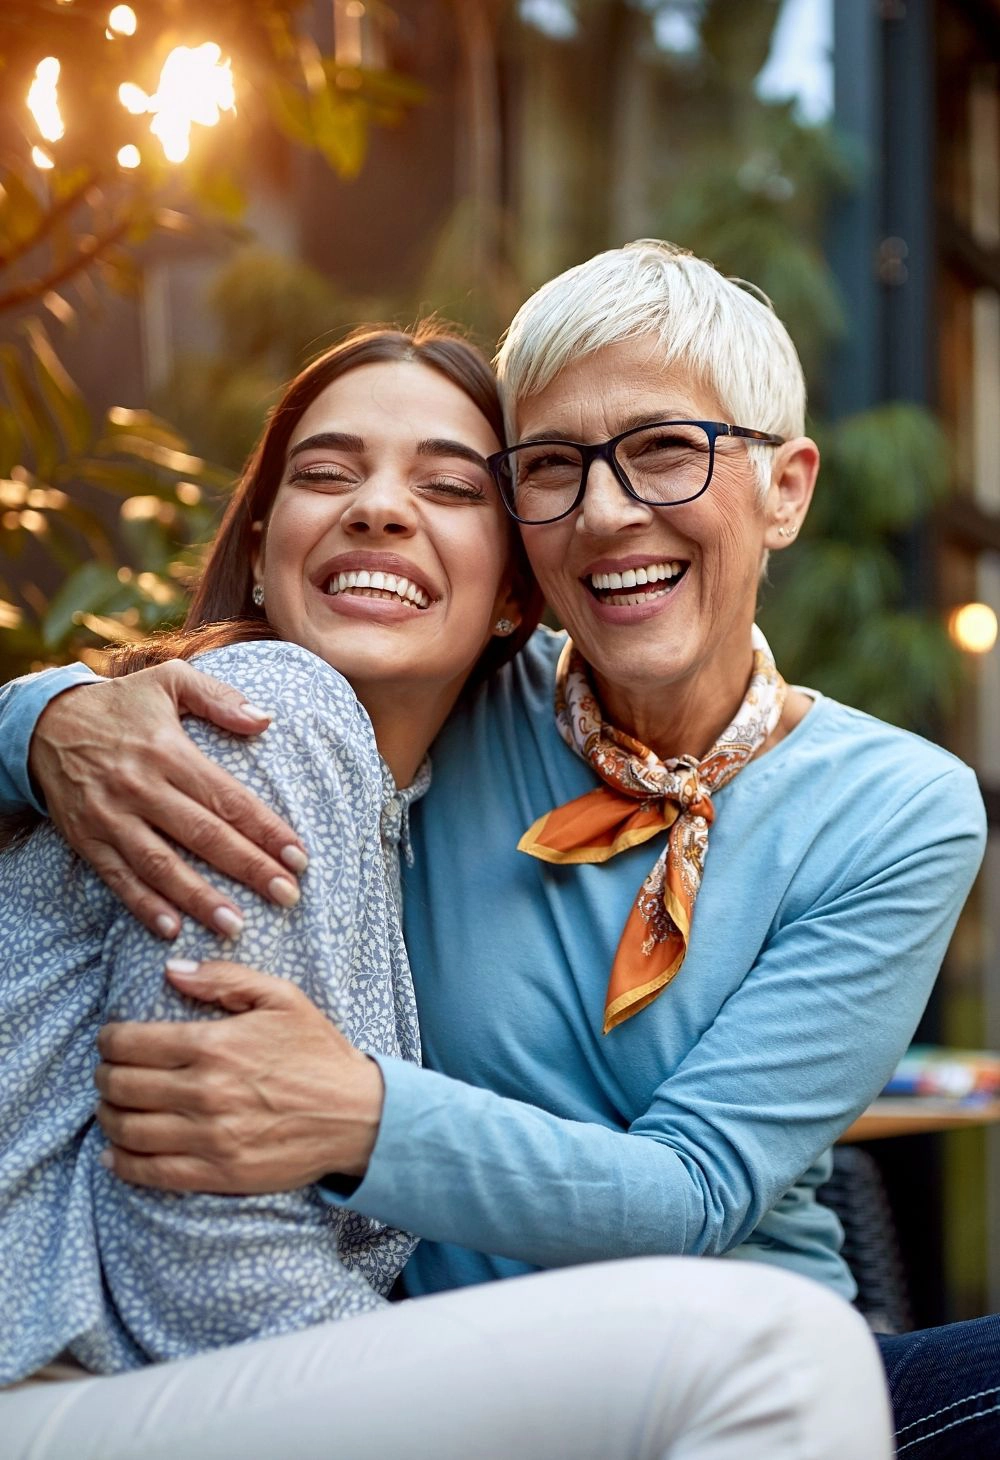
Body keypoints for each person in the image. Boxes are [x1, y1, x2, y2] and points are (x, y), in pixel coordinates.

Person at [4, 241, 975, 1447]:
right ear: (526, 549)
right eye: (554, 466)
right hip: (479, 1372)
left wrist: (362, 1113)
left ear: (785, 488)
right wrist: (44, 714)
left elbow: (702, 1189)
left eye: (666, 448)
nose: (610, 509)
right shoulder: (417, 691)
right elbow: (289, 655)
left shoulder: (899, 805)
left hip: (715, 1344)